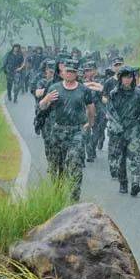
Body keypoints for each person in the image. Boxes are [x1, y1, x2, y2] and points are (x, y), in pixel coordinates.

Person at [37, 59, 98, 201]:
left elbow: (91, 108)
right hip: (58, 132)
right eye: (67, 71)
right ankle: (57, 194)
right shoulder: (54, 88)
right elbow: (41, 107)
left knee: (75, 163)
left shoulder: (84, 90)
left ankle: (74, 199)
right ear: (63, 73)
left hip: (76, 132)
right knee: (56, 167)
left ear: (77, 74)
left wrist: (90, 124)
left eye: (73, 72)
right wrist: (46, 99)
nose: (70, 74)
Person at [107, 65, 140, 196]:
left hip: (134, 129)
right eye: (125, 77)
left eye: (130, 77)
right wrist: (116, 126)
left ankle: (135, 183)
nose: (127, 80)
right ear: (120, 78)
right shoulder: (114, 93)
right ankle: (123, 182)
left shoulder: (139, 93)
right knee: (120, 158)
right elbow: (110, 111)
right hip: (118, 130)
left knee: (135, 157)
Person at [80, 61, 104, 163]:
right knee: (86, 132)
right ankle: (90, 153)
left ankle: (93, 148)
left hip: (99, 109)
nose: (88, 72)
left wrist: (91, 84)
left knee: (97, 132)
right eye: (86, 71)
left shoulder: (102, 78)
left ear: (95, 70)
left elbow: (102, 89)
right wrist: (92, 85)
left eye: (90, 70)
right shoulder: (80, 80)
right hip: (86, 109)